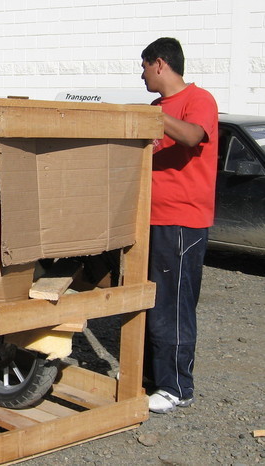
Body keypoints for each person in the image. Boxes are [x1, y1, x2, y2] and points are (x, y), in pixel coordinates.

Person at [140, 37, 218, 414]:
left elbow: (191, 136)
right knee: (151, 301)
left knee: (174, 305)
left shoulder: (198, 100)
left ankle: (177, 387)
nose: (141, 76)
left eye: (143, 67)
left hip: (182, 222)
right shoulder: (157, 107)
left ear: (159, 64)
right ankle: (155, 378)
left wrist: (152, 118)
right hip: (150, 220)